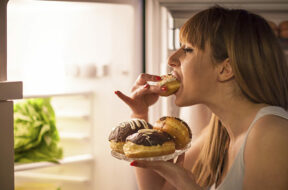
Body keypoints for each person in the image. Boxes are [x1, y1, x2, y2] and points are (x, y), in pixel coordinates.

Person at [115, 5, 288, 190]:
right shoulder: (219, 132)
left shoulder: (271, 134)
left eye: (187, 49)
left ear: (225, 69)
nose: (171, 59)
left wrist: (186, 184)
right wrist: (140, 115)